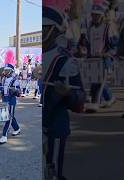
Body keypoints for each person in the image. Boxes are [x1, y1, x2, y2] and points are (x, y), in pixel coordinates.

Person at [43, 5, 85, 180]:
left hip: (54, 126)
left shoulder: (66, 61)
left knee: (52, 173)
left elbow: (80, 99)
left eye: (43, 29)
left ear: (53, 30)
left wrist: (68, 94)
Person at [85, 3, 118, 113]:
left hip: (104, 59)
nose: (94, 17)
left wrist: (108, 54)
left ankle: (95, 102)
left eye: (97, 15)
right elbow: (88, 44)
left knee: (99, 81)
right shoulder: (90, 28)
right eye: (93, 15)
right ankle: (109, 98)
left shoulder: (108, 27)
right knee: (95, 80)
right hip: (93, 59)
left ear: (102, 16)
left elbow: (114, 44)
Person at [0, 63, 21, 144]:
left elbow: (19, 93)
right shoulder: (3, 79)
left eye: (7, 70)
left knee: (9, 117)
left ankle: (4, 135)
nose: (5, 71)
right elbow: (3, 88)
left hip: (11, 101)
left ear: (11, 71)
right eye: (5, 70)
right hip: (5, 100)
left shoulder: (14, 80)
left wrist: (15, 90)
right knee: (11, 116)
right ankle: (17, 128)